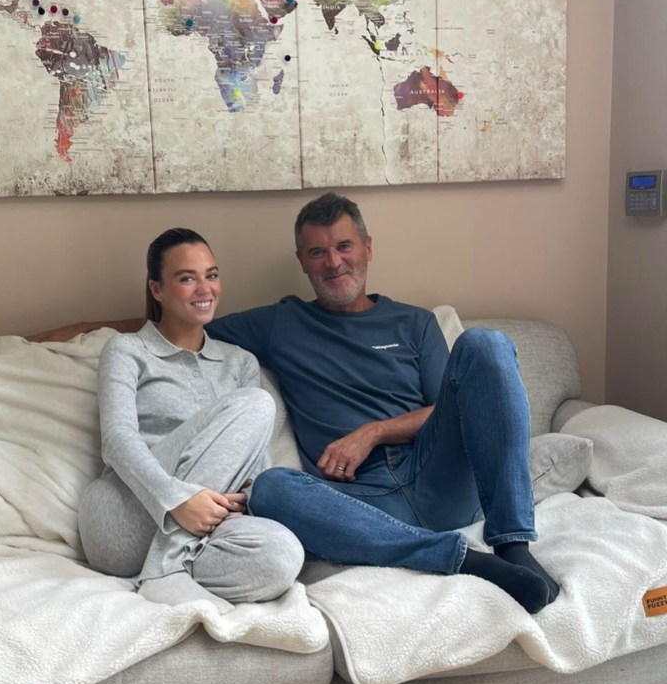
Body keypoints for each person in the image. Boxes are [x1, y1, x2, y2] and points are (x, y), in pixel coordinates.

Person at [207, 193, 560, 614]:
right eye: (318, 252)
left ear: (367, 248)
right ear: (301, 260)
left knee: (485, 344)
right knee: (271, 489)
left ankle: (513, 547)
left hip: (439, 478)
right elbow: (186, 329)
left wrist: (371, 433)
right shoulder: (281, 323)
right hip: (361, 504)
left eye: (344, 246)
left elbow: (452, 405)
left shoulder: (415, 323)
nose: (333, 263)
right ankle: (464, 559)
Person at [77, 228, 304, 608]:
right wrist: (176, 499)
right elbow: (116, 441)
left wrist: (244, 499)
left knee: (284, 555)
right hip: (123, 516)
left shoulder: (239, 361)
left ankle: (171, 567)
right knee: (258, 404)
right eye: (187, 278)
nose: (205, 288)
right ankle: (162, 570)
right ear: (157, 289)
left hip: (205, 525)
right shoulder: (127, 350)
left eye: (211, 275)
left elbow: (253, 456)